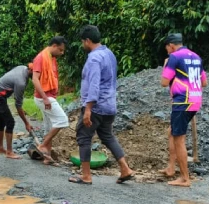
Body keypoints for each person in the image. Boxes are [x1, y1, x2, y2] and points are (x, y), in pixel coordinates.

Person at [69, 25, 135, 185]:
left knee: (84, 136)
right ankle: (125, 169)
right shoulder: (109, 53)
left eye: (83, 42)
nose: (82, 45)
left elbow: (94, 84)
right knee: (107, 136)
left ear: (87, 40)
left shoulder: (94, 58)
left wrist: (88, 109)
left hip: (96, 106)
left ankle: (86, 176)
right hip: (109, 104)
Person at [160, 33, 207, 187]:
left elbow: (164, 82)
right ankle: (171, 168)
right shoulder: (196, 57)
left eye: (167, 48)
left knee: (179, 138)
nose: (167, 51)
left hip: (182, 102)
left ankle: (185, 178)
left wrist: (166, 65)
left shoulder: (174, 57)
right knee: (172, 132)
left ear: (171, 45)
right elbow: (204, 82)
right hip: (195, 100)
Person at [32, 36, 69, 165]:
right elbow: (35, 79)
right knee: (62, 120)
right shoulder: (41, 58)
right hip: (44, 98)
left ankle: (47, 157)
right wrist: (45, 98)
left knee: (49, 126)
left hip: (48, 96)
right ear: (54, 46)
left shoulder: (51, 58)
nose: (62, 53)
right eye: (60, 50)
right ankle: (42, 146)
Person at [0, 64, 34, 159]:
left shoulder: (22, 68)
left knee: (2, 120)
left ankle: (0, 148)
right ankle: (9, 152)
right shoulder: (21, 82)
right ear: (31, 71)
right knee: (10, 122)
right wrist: (26, 123)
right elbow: (18, 105)